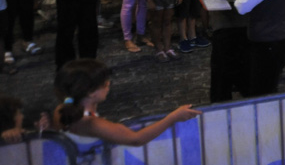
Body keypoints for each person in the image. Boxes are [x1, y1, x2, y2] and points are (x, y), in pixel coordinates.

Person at [52, 59, 200, 146]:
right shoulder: (93, 124)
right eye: (105, 83)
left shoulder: (61, 109)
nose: (109, 85)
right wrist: (173, 117)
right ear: (91, 92)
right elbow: (136, 138)